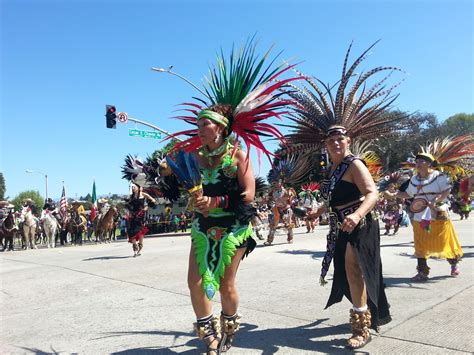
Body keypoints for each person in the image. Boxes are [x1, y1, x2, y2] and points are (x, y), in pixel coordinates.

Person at [150, 42, 296, 354]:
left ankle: (229, 324)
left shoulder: (237, 156)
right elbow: (174, 186)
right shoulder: (193, 158)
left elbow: (248, 196)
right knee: (194, 282)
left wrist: (215, 202)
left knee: (227, 285)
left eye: (205, 125)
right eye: (198, 124)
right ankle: (208, 332)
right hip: (202, 227)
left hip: (232, 228)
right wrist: (166, 176)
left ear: (221, 129)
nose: (200, 129)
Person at [285, 43, 410, 349]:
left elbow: (372, 193)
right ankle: (363, 312)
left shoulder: (353, 163)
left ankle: (361, 325)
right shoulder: (335, 170)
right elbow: (333, 198)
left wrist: (356, 215)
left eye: (340, 138)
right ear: (326, 145)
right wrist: (317, 213)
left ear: (348, 140)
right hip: (341, 223)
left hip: (361, 222)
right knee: (352, 271)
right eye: (331, 139)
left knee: (357, 269)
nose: (336, 142)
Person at [386, 152, 464, 280]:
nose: (418, 164)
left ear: (429, 163)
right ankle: (422, 272)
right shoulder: (414, 179)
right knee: (420, 242)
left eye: (421, 161)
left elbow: (446, 190)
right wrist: (394, 195)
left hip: (438, 212)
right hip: (420, 214)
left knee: (444, 240)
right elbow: (408, 194)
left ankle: (454, 264)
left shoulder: (439, 176)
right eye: (417, 161)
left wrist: (437, 199)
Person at [126, 183, 156, 257]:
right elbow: (129, 206)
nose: (133, 188)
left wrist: (149, 204)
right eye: (132, 187)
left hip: (141, 216)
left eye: (134, 187)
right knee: (132, 232)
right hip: (133, 217)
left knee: (140, 233)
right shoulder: (131, 196)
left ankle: (140, 247)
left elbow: (152, 200)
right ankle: (135, 250)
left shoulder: (143, 194)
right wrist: (129, 212)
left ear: (138, 188)